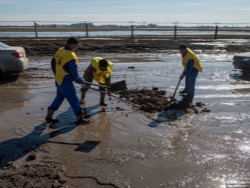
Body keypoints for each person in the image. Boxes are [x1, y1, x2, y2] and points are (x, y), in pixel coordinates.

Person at [45, 37, 88, 125]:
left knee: (59, 97)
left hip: (58, 79)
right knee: (74, 99)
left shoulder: (60, 50)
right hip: (65, 81)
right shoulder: (70, 56)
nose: (77, 47)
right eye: (76, 45)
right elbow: (74, 73)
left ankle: (49, 116)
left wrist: (56, 74)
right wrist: (81, 81)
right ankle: (80, 119)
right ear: (71, 45)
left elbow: (53, 63)